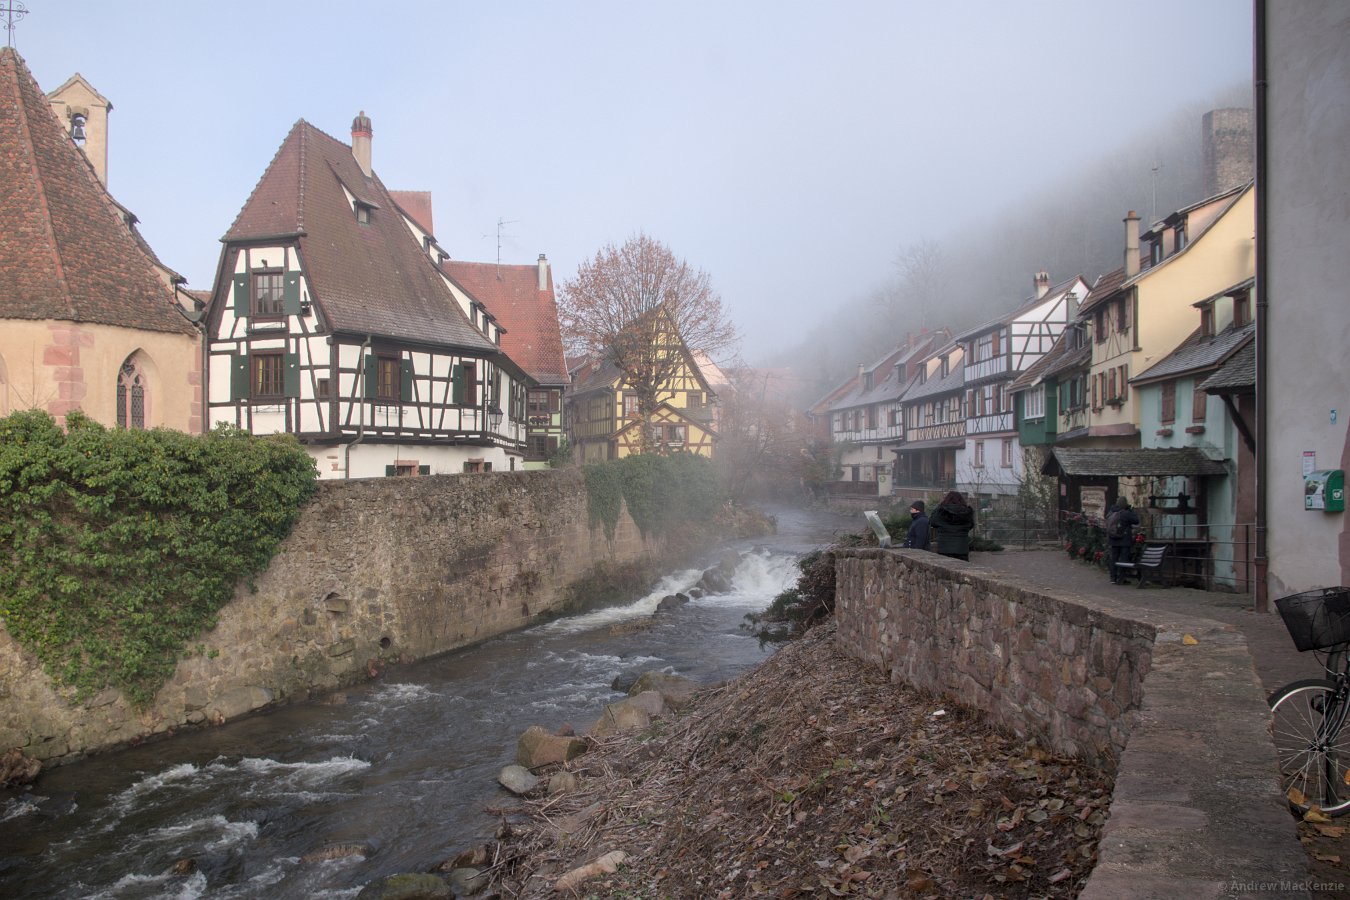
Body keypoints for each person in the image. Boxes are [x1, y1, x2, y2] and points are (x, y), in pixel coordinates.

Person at [930, 491, 975, 561]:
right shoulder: (967, 512)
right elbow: (971, 525)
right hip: (961, 549)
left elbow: (932, 522)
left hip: (945, 549)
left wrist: (939, 507)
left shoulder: (941, 512)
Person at [1106, 496, 1141, 584]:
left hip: (1113, 539)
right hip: (1124, 540)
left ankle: (1113, 578)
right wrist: (1130, 510)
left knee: (1114, 558)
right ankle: (1121, 578)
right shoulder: (1126, 513)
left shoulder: (1111, 512)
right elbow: (1136, 520)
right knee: (1124, 559)